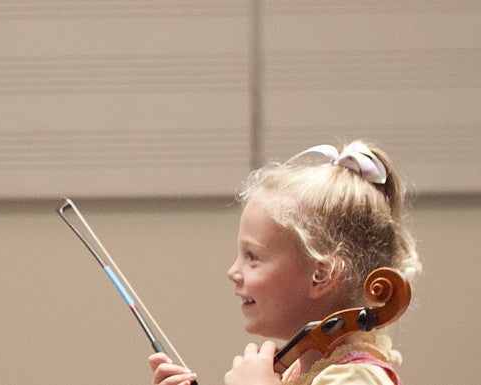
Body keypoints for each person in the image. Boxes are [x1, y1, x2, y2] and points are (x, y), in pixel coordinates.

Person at [148, 141, 422, 385]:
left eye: (252, 256)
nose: (233, 271)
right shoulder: (295, 370)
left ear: (321, 275)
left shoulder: (358, 378)